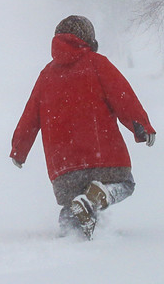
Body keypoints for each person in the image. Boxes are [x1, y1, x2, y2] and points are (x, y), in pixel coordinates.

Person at [10, 15, 156, 239]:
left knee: (72, 204)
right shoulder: (97, 64)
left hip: (64, 166)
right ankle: (99, 196)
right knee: (124, 184)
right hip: (103, 157)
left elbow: (29, 117)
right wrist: (141, 126)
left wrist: (19, 150)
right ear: (88, 38)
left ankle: (72, 235)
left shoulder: (46, 75)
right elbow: (123, 97)